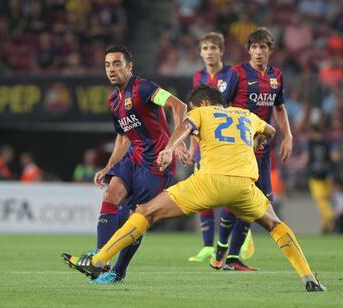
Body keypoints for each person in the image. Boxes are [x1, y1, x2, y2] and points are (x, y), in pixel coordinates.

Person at [62, 84, 326, 292]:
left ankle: (98, 261)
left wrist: (169, 148)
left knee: (145, 212)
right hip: (245, 186)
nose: (190, 111)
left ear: (204, 103)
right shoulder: (246, 115)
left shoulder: (201, 112)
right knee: (275, 225)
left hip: (209, 182)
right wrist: (256, 141)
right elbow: (270, 130)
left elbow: (185, 126)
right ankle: (308, 277)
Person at [79, 44, 187, 284]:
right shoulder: (113, 100)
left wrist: (176, 144)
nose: (111, 69)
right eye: (107, 65)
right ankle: (100, 261)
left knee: (135, 216)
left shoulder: (144, 89)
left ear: (129, 67)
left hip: (157, 161)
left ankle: (118, 272)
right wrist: (108, 166)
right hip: (134, 156)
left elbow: (179, 106)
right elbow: (123, 136)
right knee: (110, 195)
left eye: (117, 64)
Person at [210, 27, 293, 271]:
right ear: (248, 50)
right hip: (238, 150)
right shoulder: (236, 74)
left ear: (269, 50)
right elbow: (219, 107)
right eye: (254, 47)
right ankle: (222, 252)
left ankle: (232, 258)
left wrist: (288, 135)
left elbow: (279, 108)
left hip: (262, 152)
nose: (258, 52)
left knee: (261, 201)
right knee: (238, 198)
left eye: (263, 47)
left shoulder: (276, 76)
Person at [188, 32, 254, 264]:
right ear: (200, 52)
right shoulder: (198, 77)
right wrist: (190, 145)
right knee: (203, 192)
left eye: (213, 48)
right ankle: (207, 245)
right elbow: (194, 113)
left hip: (225, 144)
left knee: (228, 192)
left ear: (221, 51)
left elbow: (236, 108)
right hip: (202, 145)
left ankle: (242, 235)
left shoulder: (232, 75)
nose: (209, 52)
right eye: (205, 48)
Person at [300, 124, 340, 233]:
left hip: (315, 177)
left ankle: (330, 217)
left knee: (321, 201)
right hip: (327, 176)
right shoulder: (329, 143)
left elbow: (305, 159)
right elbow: (335, 157)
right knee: (325, 201)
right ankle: (326, 226)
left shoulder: (309, 144)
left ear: (313, 132)